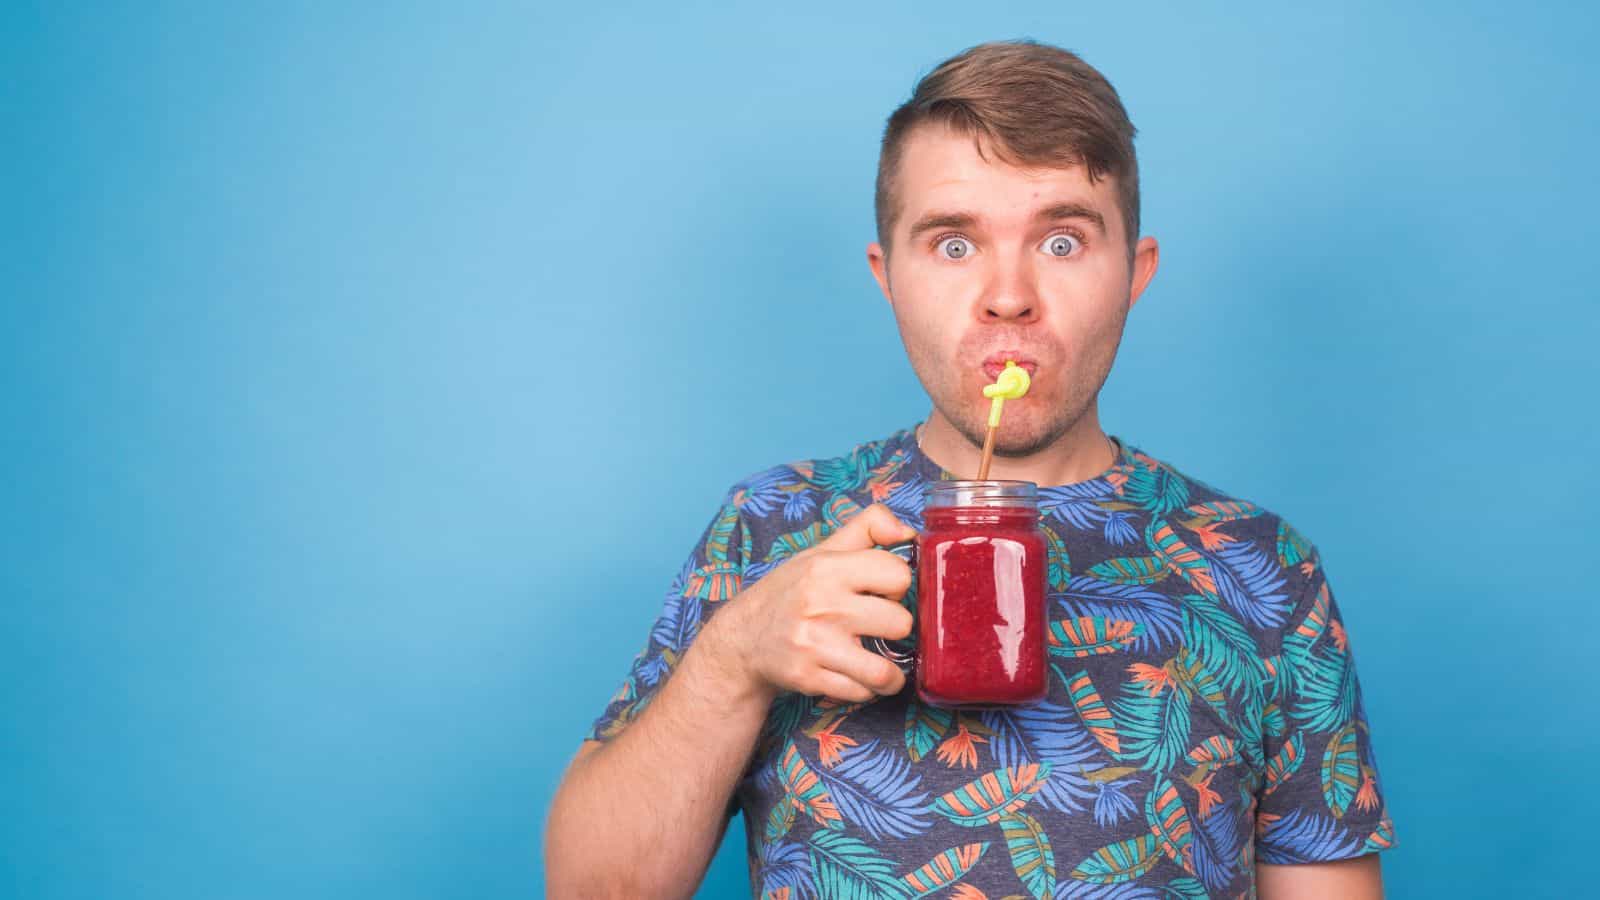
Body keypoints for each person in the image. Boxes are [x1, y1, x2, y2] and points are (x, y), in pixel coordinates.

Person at [544, 39, 1396, 899]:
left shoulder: (1264, 569)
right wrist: (733, 661)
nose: (1008, 295)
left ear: (1134, 274)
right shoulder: (772, 525)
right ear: (889, 278)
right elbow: (589, 889)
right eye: (953, 246)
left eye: (1062, 241)